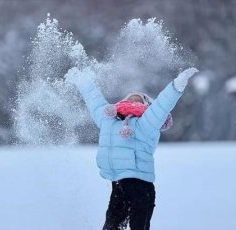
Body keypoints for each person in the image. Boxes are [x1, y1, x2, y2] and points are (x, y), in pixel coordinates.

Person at [65, 67, 199, 230]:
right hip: (119, 183)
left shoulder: (147, 122)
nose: (135, 97)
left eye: (141, 98)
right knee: (111, 226)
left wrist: (176, 86)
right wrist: (82, 81)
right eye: (130, 97)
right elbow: (94, 100)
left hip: (141, 186)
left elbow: (163, 105)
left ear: (147, 105)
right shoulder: (108, 120)